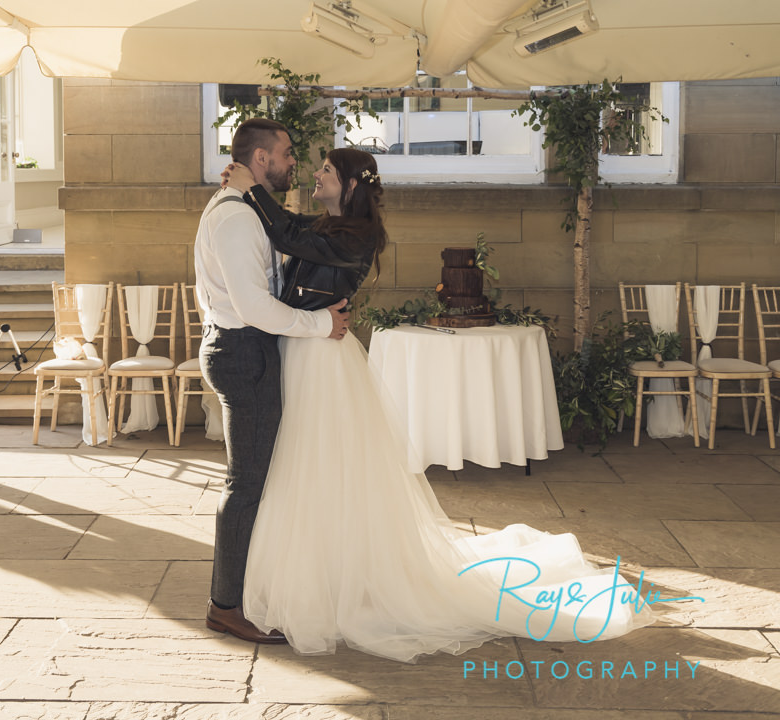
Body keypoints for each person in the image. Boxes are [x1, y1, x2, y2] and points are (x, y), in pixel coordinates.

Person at [223, 147, 654, 662]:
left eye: (327, 171)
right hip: (301, 345)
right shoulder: (326, 223)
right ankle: (311, 568)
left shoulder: (359, 236)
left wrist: (250, 187)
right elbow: (291, 232)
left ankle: (335, 579)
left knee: (318, 462)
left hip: (321, 357)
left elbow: (289, 235)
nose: (316, 175)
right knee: (298, 465)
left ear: (353, 185)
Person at [194, 118, 351, 644]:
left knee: (256, 479)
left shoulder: (244, 209)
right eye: (286, 154)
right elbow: (254, 305)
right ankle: (225, 605)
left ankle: (250, 589)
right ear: (261, 160)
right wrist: (320, 325)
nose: (293, 164)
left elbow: (290, 234)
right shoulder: (236, 218)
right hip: (244, 352)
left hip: (242, 347)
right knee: (247, 483)